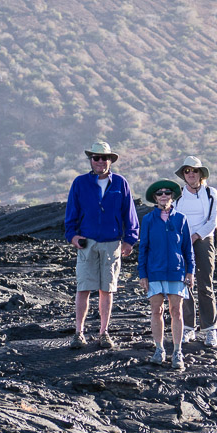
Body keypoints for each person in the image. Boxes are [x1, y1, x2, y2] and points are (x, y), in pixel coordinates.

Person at [64, 141, 140, 350]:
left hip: (112, 243)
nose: (100, 161)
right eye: (96, 157)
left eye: (104, 157)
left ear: (110, 160)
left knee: (107, 290)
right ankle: (78, 333)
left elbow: (129, 214)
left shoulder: (121, 183)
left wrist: (130, 240)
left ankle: (103, 332)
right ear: (91, 160)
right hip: (87, 243)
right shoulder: (79, 183)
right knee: (84, 289)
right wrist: (72, 237)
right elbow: (71, 213)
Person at [137, 178, 195, 370]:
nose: (163, 196)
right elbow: (143, 248)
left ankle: (177, 352)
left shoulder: (181, 219)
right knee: (156, 310)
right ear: (155, 198)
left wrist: (190, 271)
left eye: (167, 193)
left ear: (172, 196)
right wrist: (142, 274)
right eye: (160, 193)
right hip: (154, 272)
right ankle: (159, 349)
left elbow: (188, 249)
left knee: (176, 311)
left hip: (176, 272)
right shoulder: (147, 220)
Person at [174, 155, 217, 347]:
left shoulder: (211, 193)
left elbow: (213, 221)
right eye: (187, 171)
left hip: (203, 241)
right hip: (182, 242)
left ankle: (210, 329)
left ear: (201, 173)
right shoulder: (178, 197)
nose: (191, 174)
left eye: (194, 170)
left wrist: (196, 236)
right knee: (185, 285)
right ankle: (188, 328)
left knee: (205, 285)